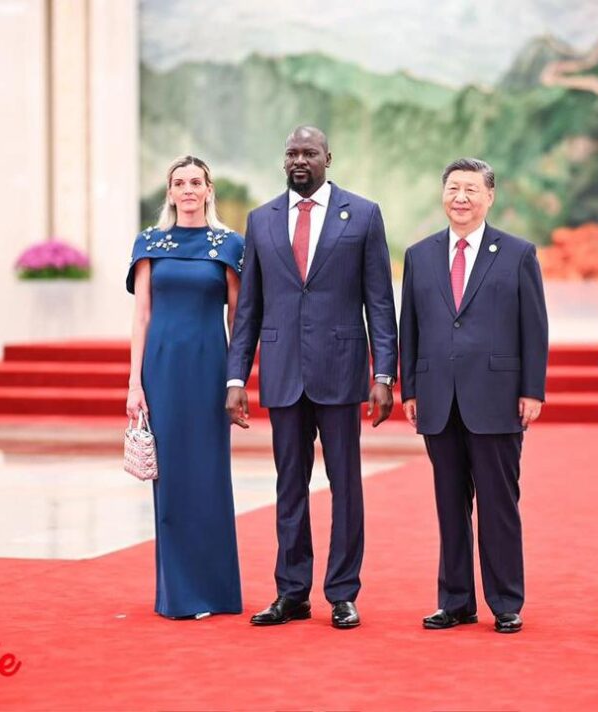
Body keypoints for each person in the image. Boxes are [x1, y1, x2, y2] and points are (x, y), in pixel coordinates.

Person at [226, 126, 397, 629]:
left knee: (345, 486)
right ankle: (292, 592)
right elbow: (249, 309)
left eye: (309, 153)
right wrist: (236, 378)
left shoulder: (363, 214)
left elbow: (379, 301)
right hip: (283, 373)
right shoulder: (261, 220)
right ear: (284, 161)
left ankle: (343, 592)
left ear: (328, 158)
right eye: (292, 153)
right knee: (289, 487)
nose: (299, 160)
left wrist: (384, 373)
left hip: (341, 372)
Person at [399, 158, 548, 634]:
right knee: (449, 504)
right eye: (453, 188)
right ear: (443, 194)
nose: (461, 198)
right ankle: (456, 601)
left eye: (471, 189)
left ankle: (505, 601)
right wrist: (410, 387)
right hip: (438, 397)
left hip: (497, 397)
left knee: (499, 504)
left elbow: (534, 327)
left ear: (489, 197)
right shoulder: (419, 255)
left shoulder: (518, 253)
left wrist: (532, 389)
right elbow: (410, 326)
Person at [125, 155, 244, 619]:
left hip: (209, 370)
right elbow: (142, 316)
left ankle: (216, 592)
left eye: (196, 182)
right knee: (171, 481)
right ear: (170, 192)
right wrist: (134, 383)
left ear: (209, 189)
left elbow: (238, 319)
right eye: (180, 183)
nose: (188, 189)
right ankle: (178, 595)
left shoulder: (229, 245)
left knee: (210, 477)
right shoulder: (149, 243)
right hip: (163, 372)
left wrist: (236, 379)